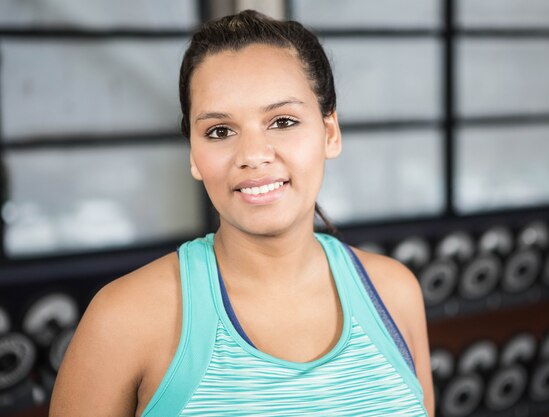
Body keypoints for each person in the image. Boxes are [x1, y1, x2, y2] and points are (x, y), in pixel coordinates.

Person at [50, 10, 434, 416]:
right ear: (195, 156)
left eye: (282, 121)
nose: (252, 155)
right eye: (220, 131)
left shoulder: (396, 293)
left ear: (330, 133)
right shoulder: (123, 319)